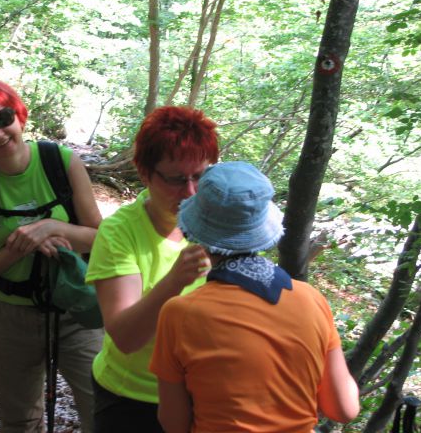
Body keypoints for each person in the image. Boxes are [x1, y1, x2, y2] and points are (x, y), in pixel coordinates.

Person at [150, 161, 360, 433]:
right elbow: (344, 410)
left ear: (196, 232)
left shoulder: (180, 313)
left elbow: (174, 424)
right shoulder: (312, 300)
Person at [0, 79, 103, 433]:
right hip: (7, 318)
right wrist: (20, 245)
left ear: (18, 115)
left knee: (102, 410)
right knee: (19, 422)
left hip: (76, 309)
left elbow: (99, 237)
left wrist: (52, 229)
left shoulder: (61, 162)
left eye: (3, 118)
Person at [84, 105, 220, 432]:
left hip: (198, 393)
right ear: (145, 173)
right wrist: (174, 280)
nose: (189, 192)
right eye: (176, 179)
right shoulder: (120, 232)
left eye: (200, 176)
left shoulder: (220, 223)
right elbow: (126, 336)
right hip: (131, 397)